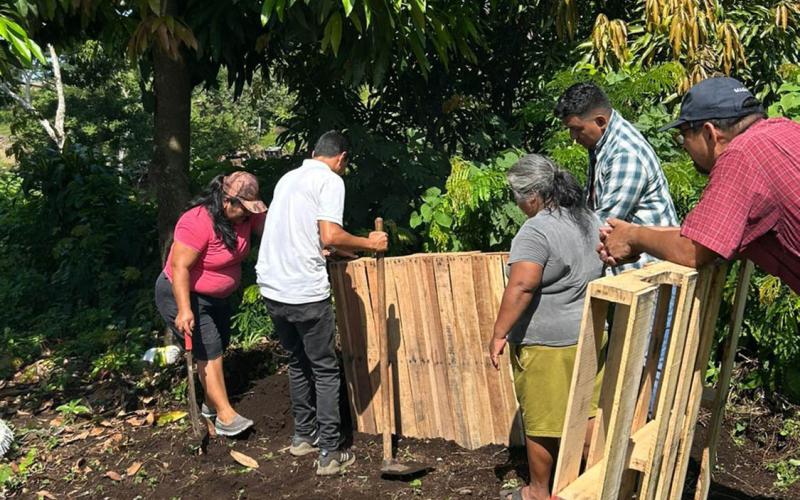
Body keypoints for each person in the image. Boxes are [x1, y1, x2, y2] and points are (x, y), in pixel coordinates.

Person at [255, 130, 388, 476]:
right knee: (326, 369)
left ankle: (303, 437)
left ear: (314, 152)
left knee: (298, 362)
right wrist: (369, 244)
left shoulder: (288, 179)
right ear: (341, 158)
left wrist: (337, 248)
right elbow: (329, 234)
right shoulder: (330, 181)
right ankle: (329, 452)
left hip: (272, 286)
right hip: (303, 290)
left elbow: (312, 236)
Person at [599, 76, 800, 295]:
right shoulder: (785, 129)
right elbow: (703, 235)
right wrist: (633, 232)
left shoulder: (740, 155)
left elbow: (692, 251)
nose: (684, 146)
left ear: (709, 132)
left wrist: (633, 238)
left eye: (683, 135)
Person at [488, 154, 605, 500]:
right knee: (587, 412)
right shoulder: (587, 218)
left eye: (518, 197)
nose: (518, 204)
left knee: (541, 421)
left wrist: (499, 333)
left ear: (533, 196)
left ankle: (539, 492)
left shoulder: (536, 230)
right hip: (589, 335)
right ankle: (601, 482)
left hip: (547, 345)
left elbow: (521, 286)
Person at [155, 171, 267, 436]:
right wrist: (184, 309)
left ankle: (209, 407)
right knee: (209, 349)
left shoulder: (247, 217)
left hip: (216, 297)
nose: (247, 215)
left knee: (221, 343)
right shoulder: (196, 221)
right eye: (243, 209)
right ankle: (226, 416)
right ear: (227, 201)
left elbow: (272, 231)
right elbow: (179, 267)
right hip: (181, 292)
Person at [554, 82, 679, 271]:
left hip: (650, 277)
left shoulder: (625, 154)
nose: (573, 136)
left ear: (601, 121)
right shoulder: (604, 142)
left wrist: (551, 247)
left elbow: (602, 225)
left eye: (577, 129)